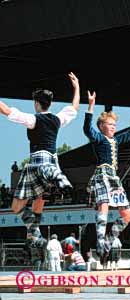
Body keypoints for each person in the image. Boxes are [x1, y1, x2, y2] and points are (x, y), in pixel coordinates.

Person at [0, 73, 80, 249]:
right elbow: (74, 108)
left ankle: (57, 177)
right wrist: (76, 87)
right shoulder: (58, 119)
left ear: (37, 103)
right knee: (39, 202)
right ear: (49, 103)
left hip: (37, 161)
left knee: (15, 207)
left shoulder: (33, 119)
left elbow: (5, 110)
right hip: (52, 160)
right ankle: (34, 232)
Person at [84, 90, 130, 259]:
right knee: (103, 205)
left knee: (128, 215)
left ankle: (108, 241)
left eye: (114, 125)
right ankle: (100, 241)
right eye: (110, 124)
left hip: (114, 178)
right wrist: (90, 106)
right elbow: (87, 129)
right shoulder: (98, 138)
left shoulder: (116, 140)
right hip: (102, 174)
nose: (113, 127)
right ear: (102, 126)